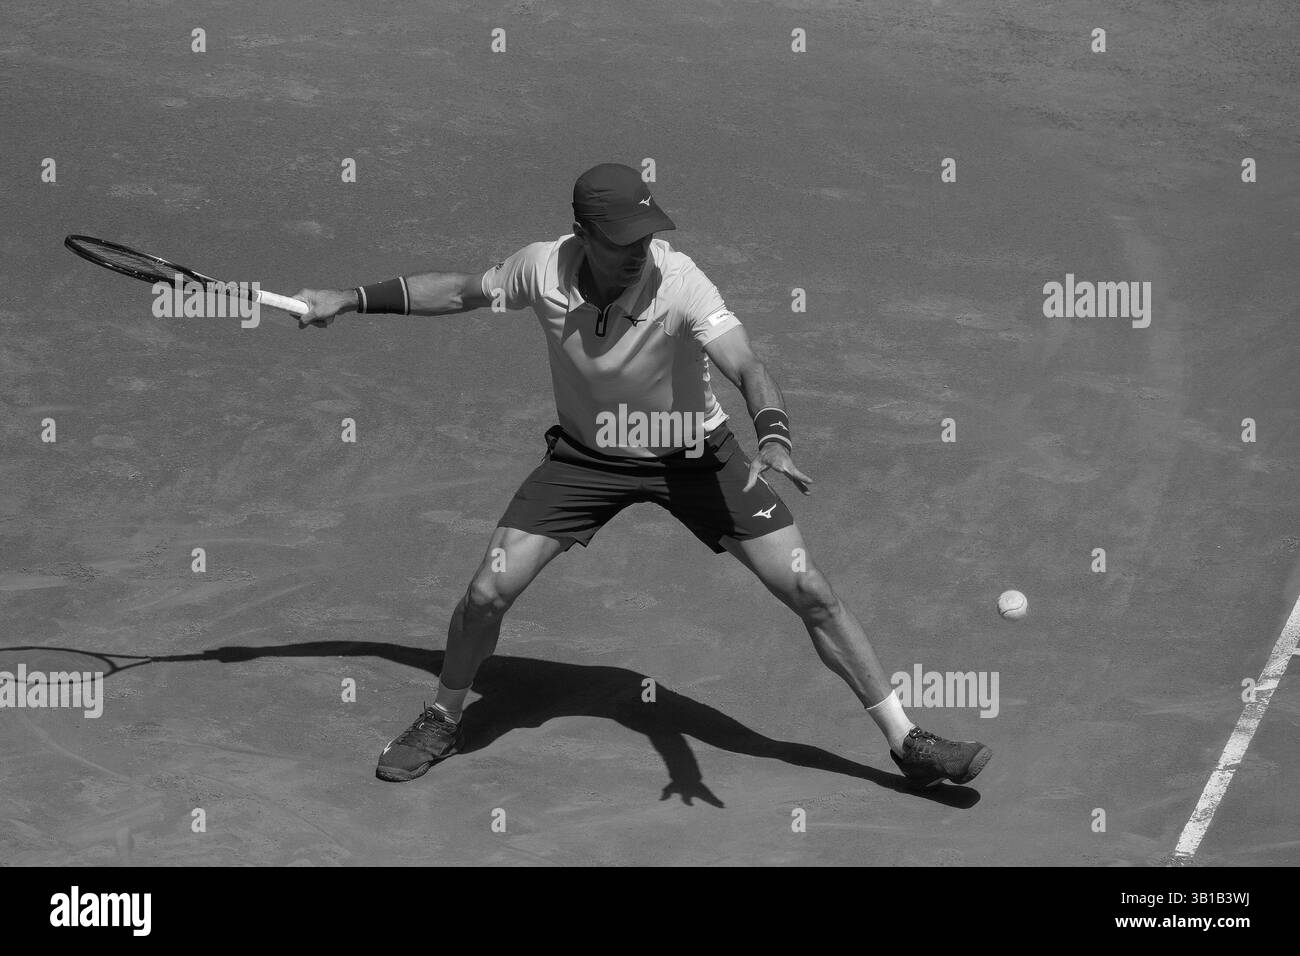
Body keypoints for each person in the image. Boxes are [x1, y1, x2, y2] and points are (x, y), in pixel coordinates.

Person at [291, 163, 991, 790]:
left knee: (811, 589)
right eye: (622, 240)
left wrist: (771, 436)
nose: (639, 253)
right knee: (485, 592)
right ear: (580, 234)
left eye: (646, 235)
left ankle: (908, 740)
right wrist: (349, 297)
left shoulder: (681, 282)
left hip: (696, 456)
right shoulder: (541, 267)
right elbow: (461, 291)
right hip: (585, 460)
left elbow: (747, 365)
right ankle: (443, 716)